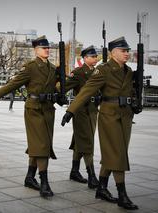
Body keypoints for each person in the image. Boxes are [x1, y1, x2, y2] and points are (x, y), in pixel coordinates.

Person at [61, 37, 139, 210]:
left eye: (128, 50)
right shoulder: (103, 70)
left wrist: (135, 102)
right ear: (113, 52)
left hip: (125, 117)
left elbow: (131, 91)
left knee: (115, 153)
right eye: (123, 51)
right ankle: (122, 195)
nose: (127, 53)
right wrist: (70, 111)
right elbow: (86, 91)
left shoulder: (128, 70)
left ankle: (101, 188)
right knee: (118, 154)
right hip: (109, 116)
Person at [0, 35, 65, 198]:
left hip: (48, 110)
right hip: (34, 110)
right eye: (44, 48)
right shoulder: (30, 67)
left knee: (41, 144)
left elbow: (55, 87)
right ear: (36, 50)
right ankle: (44, 182)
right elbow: (12, 84)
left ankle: (29, 177)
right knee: (42, 146)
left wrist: (59, 93)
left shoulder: (53, 68)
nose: (47, 50)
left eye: (48, 48)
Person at [63, 46, 100, 189]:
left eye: (96, 56)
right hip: (81, 112)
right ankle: (92, 176)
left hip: (93, 111)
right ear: (85, 58)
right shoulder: (78, 72)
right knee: (87, 142)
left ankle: (74, 171)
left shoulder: (97, 72)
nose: (95, 59)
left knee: (80, 141)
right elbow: (64, 86)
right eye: (92, 56)